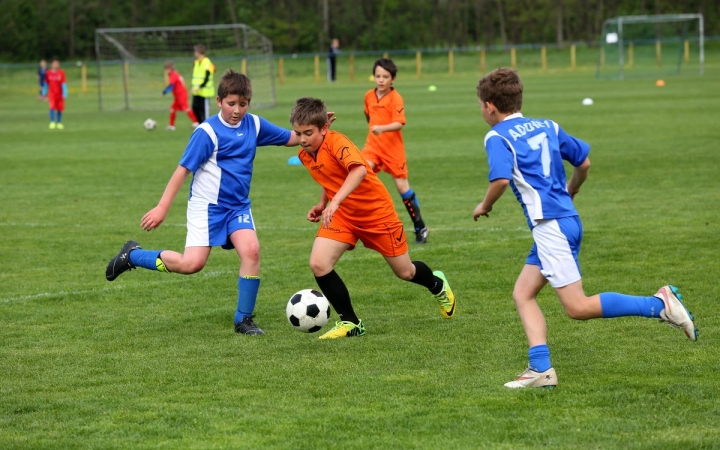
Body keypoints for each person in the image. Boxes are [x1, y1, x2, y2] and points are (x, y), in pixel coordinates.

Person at [472, 67, 699, 389]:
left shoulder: (497, 136)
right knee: (523, 293)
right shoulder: (547, 126)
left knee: (577, 307)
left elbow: (501, 180)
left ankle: (658, 304)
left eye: (480, 105)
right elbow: (584, 163)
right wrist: (572, 190)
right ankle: (541, 369)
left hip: (550, 227)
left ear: (490, 106)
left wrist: (485, 206)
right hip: (565, 220)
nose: (481, 110)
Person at [106, 69, 302, 336]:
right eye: (231, 103)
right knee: (192, 265)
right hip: (206, 208)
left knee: (252, 251)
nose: (237, 110)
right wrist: (162, 207)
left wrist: (315, 129)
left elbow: (291, 138)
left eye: (242, 104)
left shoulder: (253, 124)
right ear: (219, 101)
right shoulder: (206, 133)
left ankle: (243, 319)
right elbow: (182, 171)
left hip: (238, 208)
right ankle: (134, 256)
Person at [289, 97, 456, 339]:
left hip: (377, 215)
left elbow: (357, 170)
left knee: (405, 272)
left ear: (324, 128)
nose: (303, 139)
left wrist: (334, 201)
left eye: (308, 133)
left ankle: (437, 284)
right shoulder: (306, 154)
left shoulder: (338, 142)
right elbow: (330, 178)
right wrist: (323, 203)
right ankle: (351, 323)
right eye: (298, 133)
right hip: (343, 216)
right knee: (319, 263)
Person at [362, 58, 428, 244]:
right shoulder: (368, 96)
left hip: (393, 150)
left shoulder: (395, 98)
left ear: (393, 79)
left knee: (402, 188)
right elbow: (368, 116)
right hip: (373, 147)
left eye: (385, 76)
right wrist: (376, 132)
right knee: (361, 174)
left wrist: (382, 128)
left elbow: (399, 123)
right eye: (377, 76)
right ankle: (367, 226)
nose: (381, 80)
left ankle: (420, 226)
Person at [162, 60, 199, 131]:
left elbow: (172, 85)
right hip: (178, 95)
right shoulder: (175, 74)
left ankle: (196, 123)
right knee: (173, 108)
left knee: (186, 108)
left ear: (169, 69)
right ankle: (171, 126)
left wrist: (165, 92)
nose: (165, 72)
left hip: (181, 94)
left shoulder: (173, 74)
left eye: (166, 69)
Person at [191, 44, 215, 124]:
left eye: (195, 51)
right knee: (194, 108)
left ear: (198, 52)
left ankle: (207, 126)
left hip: (204, 91)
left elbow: (207, 76)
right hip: (196, 91)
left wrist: (200, 86)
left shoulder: (207, 62)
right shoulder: (196, 62)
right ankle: (201, 124)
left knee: (204, 110)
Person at [43, 57, 66, 130]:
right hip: (52, 94)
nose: (56, 64)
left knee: (60, 108)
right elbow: (46, 83)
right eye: (54, 63)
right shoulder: (48, 73)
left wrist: (65, 92)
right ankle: (52, 122)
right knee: (52, 107)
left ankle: (59, 123)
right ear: (51, 64)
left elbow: (63, 83)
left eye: (57, 63)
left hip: (59, 94)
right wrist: (44, 92)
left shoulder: (61, 72)